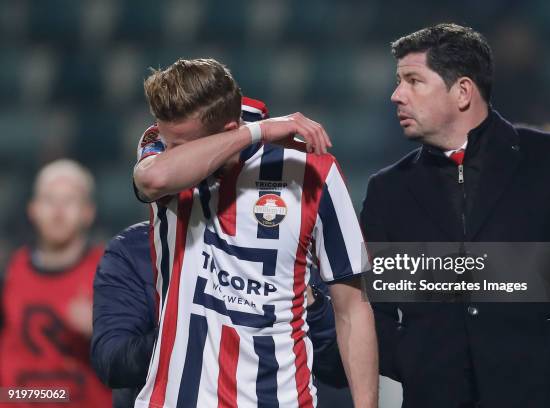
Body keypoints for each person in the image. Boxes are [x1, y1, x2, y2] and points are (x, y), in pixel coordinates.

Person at [360, 23, 550, 408]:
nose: (396, 95)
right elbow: (369, 307)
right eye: (398, 81)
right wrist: (414, 359)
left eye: (413, 81)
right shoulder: (387, 190)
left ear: (462, 91)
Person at [132, 59, 377, 408]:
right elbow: (154, 179)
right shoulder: (160, 142)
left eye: (182, 145)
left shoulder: (312, 172)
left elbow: (352, 306)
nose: (170, 151)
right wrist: (257, 131)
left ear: (227, 128)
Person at [91, 99, 348, 408]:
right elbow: (112, 362)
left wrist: (311, 306)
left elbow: (338, 368)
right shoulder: (131, 251)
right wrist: (197, 325)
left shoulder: (289, 238)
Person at [0, 159, 112, 407]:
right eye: (50, 200)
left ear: (88, 212)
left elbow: (143, 351)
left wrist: (105, 330)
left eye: (69, 201)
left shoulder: (109, 271)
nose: (58, 211)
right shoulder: (12, 269)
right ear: (33, 209)